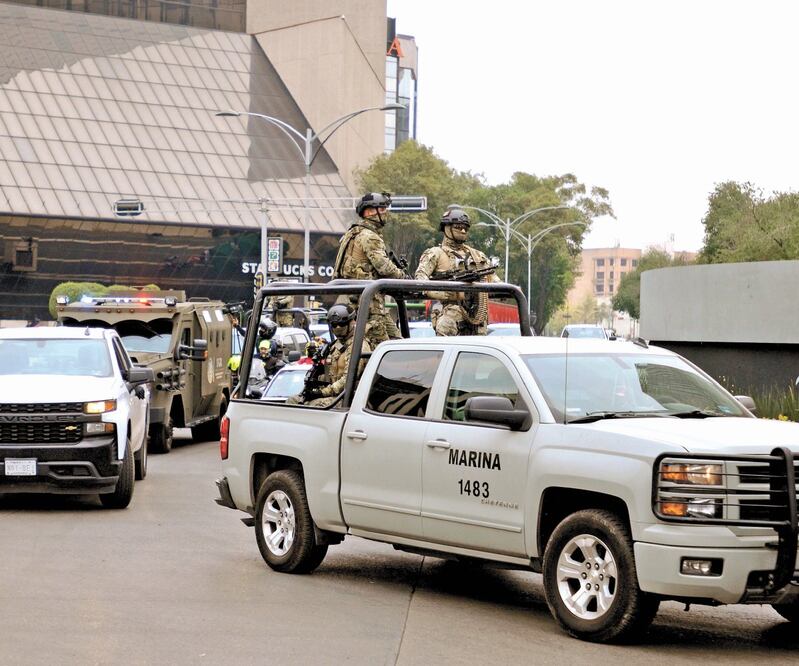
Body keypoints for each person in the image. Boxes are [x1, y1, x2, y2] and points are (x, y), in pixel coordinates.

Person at [333, 192, 405, 347]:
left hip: (358, 299)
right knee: (386, 349)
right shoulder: (370, 236)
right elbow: (385, 268)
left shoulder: (352, 233)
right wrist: (404, 277)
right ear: (371, 212)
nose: (386, 213)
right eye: (383, 209)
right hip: (369, 304)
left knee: (398, 344)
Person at [415, 206, 501, 336]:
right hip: (451, 313)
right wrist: (443, 293)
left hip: (477, 316)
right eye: (458, 227)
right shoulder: (435, 253)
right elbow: (420, 280)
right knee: (446, 335)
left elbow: (495, 281)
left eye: (465, 228)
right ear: (446, 228)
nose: (462, 230)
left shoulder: (477, 256)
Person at [288, 304, 371, 408]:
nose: (338, 328)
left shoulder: (359, 345)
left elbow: (349, 379)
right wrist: (315, 384)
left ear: (352, 322)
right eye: (334, 325)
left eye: (342, 324)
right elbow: (330, 374)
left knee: (314, 406)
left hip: (350, 397)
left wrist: (322, 392)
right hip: (333, 394)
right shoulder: (334, 345)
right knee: (292, 401)